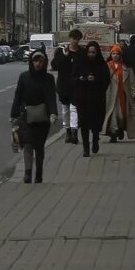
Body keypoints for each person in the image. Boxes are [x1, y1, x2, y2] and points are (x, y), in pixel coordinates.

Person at [10, 50, 58, 184]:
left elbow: (51, 97)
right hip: (26, 116)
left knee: (39, 146)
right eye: (35, 61)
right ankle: (27, 173)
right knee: (27, 144)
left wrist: (53, 113)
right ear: (31, 62)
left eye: (41, 61)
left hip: (43, 117)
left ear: (44, 63)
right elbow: (17, 96)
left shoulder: (48, 78)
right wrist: (13, 115)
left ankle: (39, 173)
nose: (38, 64)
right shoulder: (24, 77)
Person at [70, 41, 111, 156]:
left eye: (93, 52)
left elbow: (106, 80)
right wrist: (82, 78)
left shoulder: (101, 64)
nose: (91, 54)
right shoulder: (80, 63)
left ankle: (95, 140)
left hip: (97, 99)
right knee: (84, 124)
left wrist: (96, 80)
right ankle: (85, 148)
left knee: (96, 124)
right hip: (83, 99)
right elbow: (73, 78)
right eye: (89, 52)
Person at [104, 43, 135, 142]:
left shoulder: (127, 67)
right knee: (113, 115)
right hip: (111, 96)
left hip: (124, 96)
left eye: (117, 54)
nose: (115, 55)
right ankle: (113, 133)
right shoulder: (107, 66)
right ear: (111, 54)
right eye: (113, 53)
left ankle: (120, 129)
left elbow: (133, 82)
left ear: (121, 55)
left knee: (122, 116)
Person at [51, 29, 84, 144]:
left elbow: (85, 66)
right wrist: (64, 56)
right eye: (73, 38)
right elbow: (55, 65)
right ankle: (68, 131)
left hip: (77, 85)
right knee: (65, 110)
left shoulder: (81, 52)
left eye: (77, 39)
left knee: (74, 108)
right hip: (63, 85)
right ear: (70, 39)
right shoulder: (61, 51)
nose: (75, 41)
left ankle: (74, 133)